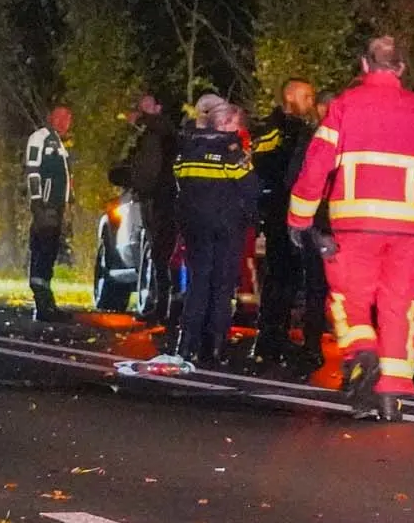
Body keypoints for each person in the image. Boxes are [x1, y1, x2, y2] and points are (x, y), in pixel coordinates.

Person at [286, 36, 414, 421]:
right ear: (401, 68)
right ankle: (390, 397)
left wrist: (299, 219)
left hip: (356, 226)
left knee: (350, 301)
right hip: (409, 229)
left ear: (364, 65)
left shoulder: (344, 106)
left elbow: (316, 166)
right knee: (399, 307)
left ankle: (363, 351)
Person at [173, 95, 260, 366]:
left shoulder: (187, 149)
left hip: (194, 226)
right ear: (223, 124)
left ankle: (188, 344)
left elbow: (179, 181)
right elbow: (252, 188)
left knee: (198, 284)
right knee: (222, 287)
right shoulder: (231, 152)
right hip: (226, 228)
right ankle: (216, 346)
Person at [252, 78, 322, 367]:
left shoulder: (298, 130)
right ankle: (269, 337)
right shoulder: (275, 128)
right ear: (290, 96)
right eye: (306, 96)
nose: (311, 102)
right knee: (279, 274)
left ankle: (276, 336)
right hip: (279, 210)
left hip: (291, 208)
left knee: (289, 276)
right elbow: (263, 161)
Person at [120, 91, 179, 324]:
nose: (143, 111)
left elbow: (163, 130)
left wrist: (140, 120)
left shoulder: (162, 130)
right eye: (141, 107)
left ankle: (165, 306)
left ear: (158, 108)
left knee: (164, 254)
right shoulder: (146, 135)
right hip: (151, 199)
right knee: (157, 255)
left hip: (164, 200)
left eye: (148, 106)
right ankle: (160, 304)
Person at [22, 105, 73, 321]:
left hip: (56, 207)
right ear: (50, 117)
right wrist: (37, 201)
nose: (64, 122)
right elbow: (32, 169)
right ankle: (42, 304)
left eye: (68, 118)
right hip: (46, 206)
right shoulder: (40, 137)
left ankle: (46, 302)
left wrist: (68, 202)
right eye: (60, 117)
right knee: (42, 251)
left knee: (49, 252)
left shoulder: (60, 143)